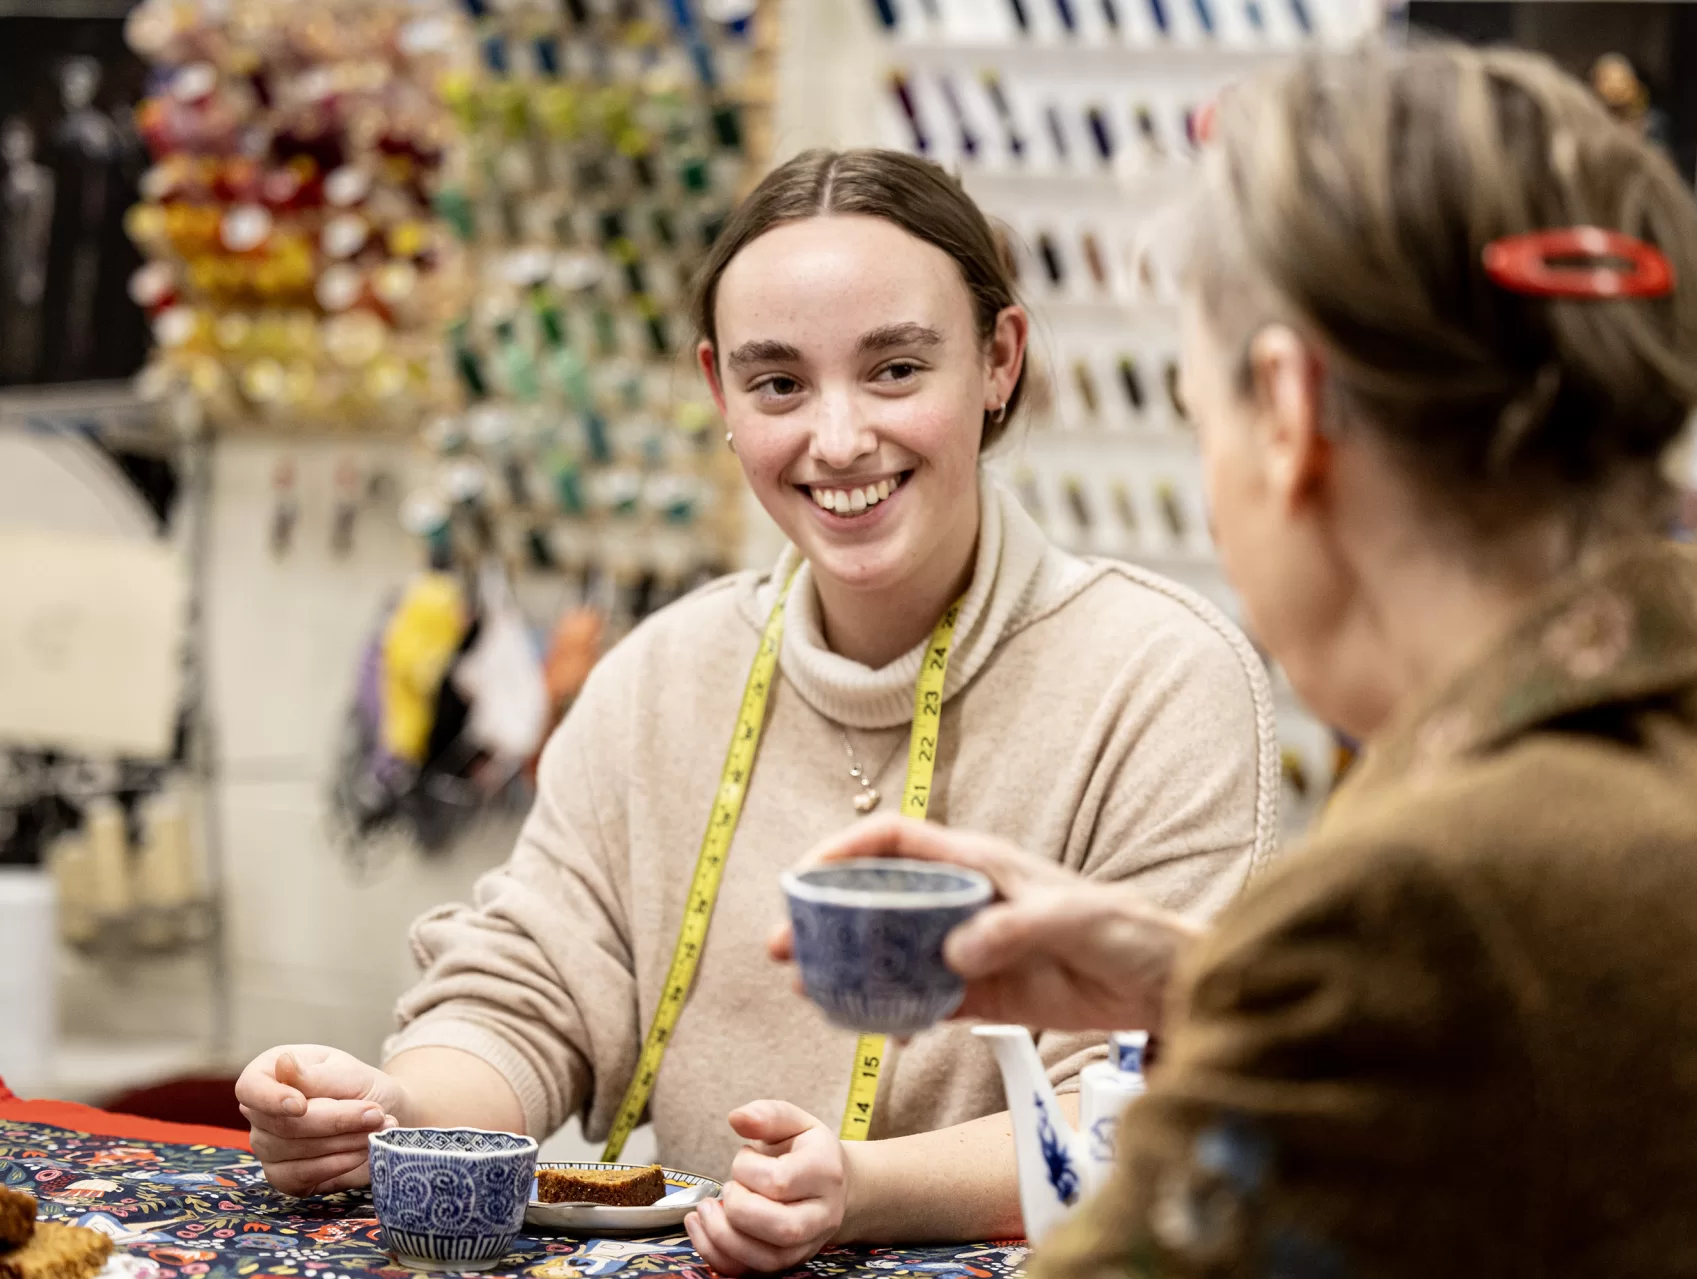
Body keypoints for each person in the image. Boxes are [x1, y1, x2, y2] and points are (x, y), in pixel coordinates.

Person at [782, 42, 1697, 1277]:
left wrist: (1280, 998)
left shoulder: (1403, 919)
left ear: (1284, 410)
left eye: (1193, 411)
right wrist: (1210, 985)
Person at [233, 148, 1278, 1275]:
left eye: (893, 370)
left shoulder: (1159, 676)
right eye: (778, 384)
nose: (836, 440)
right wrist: (391, 1110)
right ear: (720, 393)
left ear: (998, 360)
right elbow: (527, 992)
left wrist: (860, 1188)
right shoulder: (661, 674)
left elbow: (1138, 1105)